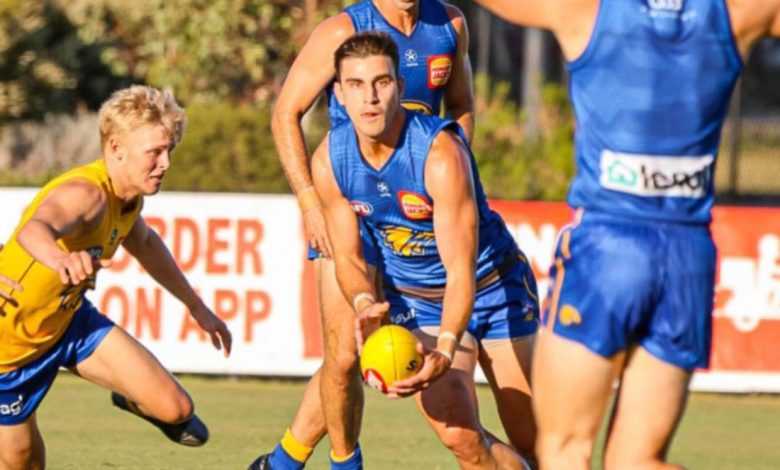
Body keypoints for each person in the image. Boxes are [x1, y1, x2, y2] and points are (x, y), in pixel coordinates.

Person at [472, 1, 780, 468]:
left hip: (609, 249)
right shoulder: (735, 15)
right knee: (636, 461)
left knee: (563, 449)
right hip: (687, 257)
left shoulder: (585, 13)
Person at [251, 1, 475, 469]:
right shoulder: (343, 31)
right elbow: (284, 113)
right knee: (345, 352)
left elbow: (462, 107)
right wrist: (310, 203)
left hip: (412, 219)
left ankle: (282, 462)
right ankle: (342, 464)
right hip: (347, 208)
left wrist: (451, 173)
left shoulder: (451, 24)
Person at [313, 31, 539, 470]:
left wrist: (449, 345)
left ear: (400, 85)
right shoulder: (328, 161)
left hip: (493, 287)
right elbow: (349, 257)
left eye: (381, 82)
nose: (370, 98)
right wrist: (363, 302)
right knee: (460, 437)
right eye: (356, 86)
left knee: (540, 442)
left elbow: (461, 270)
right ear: (338, 94)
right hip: (417, 305)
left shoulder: (439, 153)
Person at [0, 85, 232, 470]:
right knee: (25, 465)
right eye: (154, 152)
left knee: (177, 409)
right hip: (10, 351)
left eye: (169, 150)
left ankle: (130, 398)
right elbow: (33, 230)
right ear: (116, 149)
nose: (165, 163)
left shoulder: (128, 197)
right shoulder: (85, 194)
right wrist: (61, 259)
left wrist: (197, 306)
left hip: (71, 323)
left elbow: (145, 243)